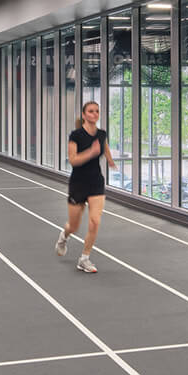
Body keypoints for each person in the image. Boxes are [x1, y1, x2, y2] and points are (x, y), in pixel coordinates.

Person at [55, 101, 116, 273]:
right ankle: (64, 236)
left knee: (95, 221)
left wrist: (110, 159)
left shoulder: (101, 134)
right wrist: (91, 152)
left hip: (96, 182)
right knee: (74, 226)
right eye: (90, 111)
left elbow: (104, 146)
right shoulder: (76, 135)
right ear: (84, 115)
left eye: (97, 111)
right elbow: (73, 160)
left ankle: (84, 259)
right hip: (78, 184)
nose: (94, 114)